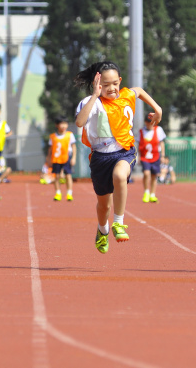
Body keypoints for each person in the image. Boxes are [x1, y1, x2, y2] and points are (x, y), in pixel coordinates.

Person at [75, 61, 162, 254]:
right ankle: (102, 230)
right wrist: (95, 96)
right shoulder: (91, 103)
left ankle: (118, 222)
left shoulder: (126, 95)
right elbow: (80, 122)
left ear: (120, 81)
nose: (111, 88)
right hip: (100, 158)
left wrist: (158, 109)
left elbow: (139, 91)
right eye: (105, 85)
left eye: (115, 83)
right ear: (97, 84)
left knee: (120, 176)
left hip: (124, 151)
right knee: (103, 205)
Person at [47, 117, 76, 201]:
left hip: (66, 157)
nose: (64, 126)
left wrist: (74, 157)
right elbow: (50, 149)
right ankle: (58, 193)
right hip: (56, 158)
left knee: (68, 175)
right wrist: (48, 159)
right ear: (57, 125)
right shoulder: (53, 136)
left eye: (65, 124)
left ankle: (69, 193)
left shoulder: (69, 135)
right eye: (61, 124)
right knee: (56, 176)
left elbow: (73, 147)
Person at [139, 113, 166, 203]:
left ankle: (152, 194)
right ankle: (146, 192)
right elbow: (139, 145)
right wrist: (139, 157)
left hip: (155, 156)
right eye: (148, 122)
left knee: (154, 175)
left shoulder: (158, 130)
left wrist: (163, 155)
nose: (149, 124)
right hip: (145, 157)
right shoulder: (141, 131)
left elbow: (161, 143)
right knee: (146, 173)